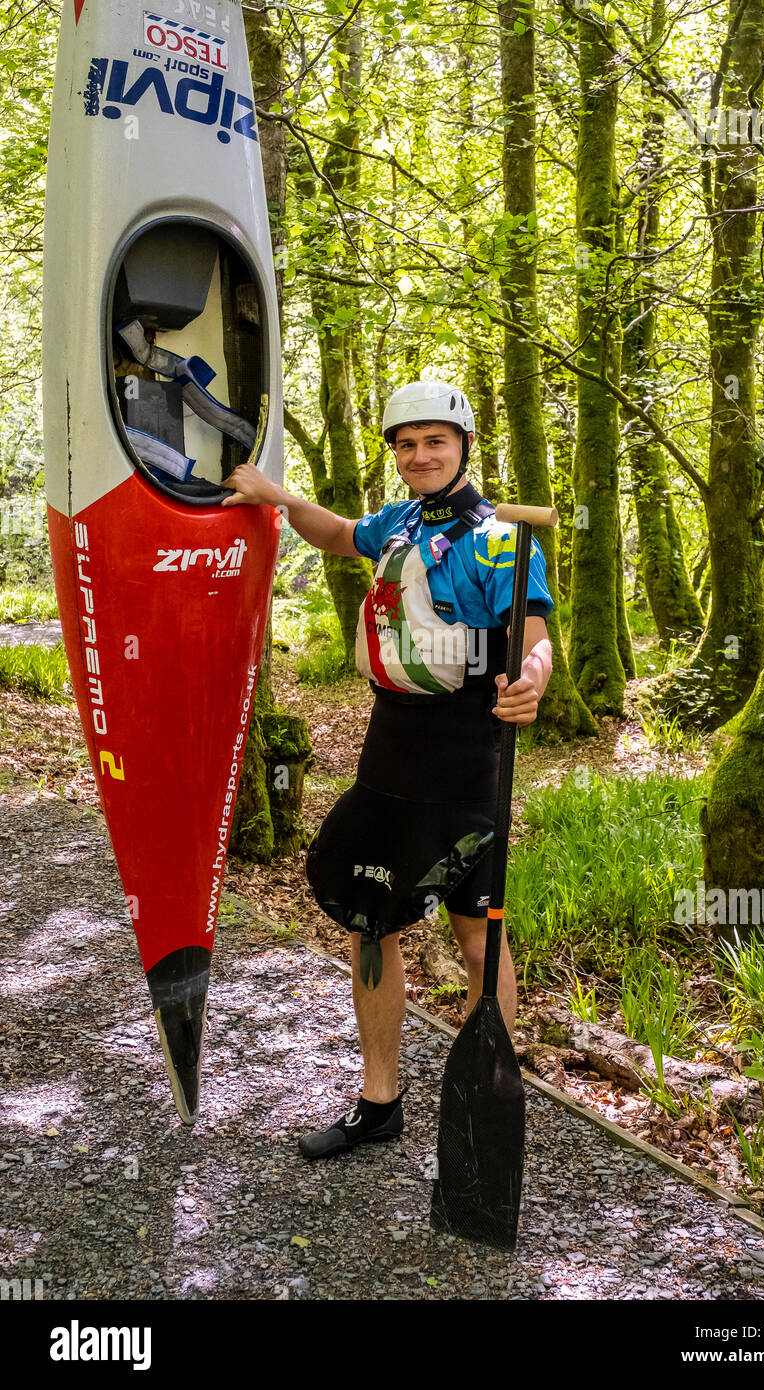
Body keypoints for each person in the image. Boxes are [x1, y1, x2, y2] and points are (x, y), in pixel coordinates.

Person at [221, 380, 553, 1158]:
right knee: (372, 918)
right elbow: (337, 534)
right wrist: (276, 495)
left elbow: (534, 636)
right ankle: (380, 1101)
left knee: (477, 932)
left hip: (469, 747)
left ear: (463, 445)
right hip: (391, 742)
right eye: (405, 444)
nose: (419, 456)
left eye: (435, 441)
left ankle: (488, 1096)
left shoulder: (500, 535)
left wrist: (532, 680)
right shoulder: (397, 521)